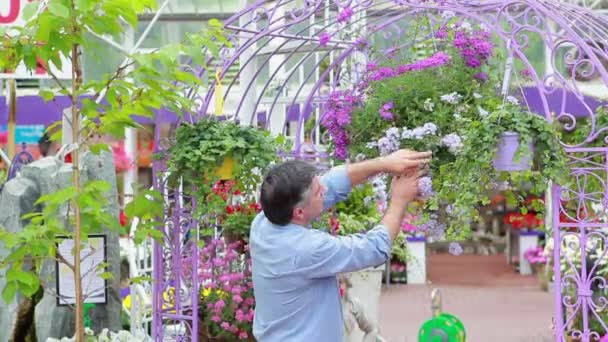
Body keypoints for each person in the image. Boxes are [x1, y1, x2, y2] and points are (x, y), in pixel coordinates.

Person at [249, 149, 432, 341]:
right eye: (319, 192)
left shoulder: (264, 223)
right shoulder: (308, 249)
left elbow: (334, 183)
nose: (325, 190)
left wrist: (384, 163)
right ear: (299, 213)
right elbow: (375, 247)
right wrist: (399, 200)